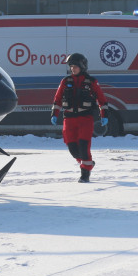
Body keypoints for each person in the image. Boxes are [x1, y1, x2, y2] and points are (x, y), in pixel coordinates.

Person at [51, 53, 109, 183]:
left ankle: (85, 173)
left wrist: (104, 115)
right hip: (69, 119)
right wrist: (54, 114)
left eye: (75, 66)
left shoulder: (92, 82)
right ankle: (87, 162)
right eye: (71, 66)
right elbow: (58, 99)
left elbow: (102, 99)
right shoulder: (65, 81)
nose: (72, 69)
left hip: (85, 118)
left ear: (82, 66)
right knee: (73, 149)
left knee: (84, 146)